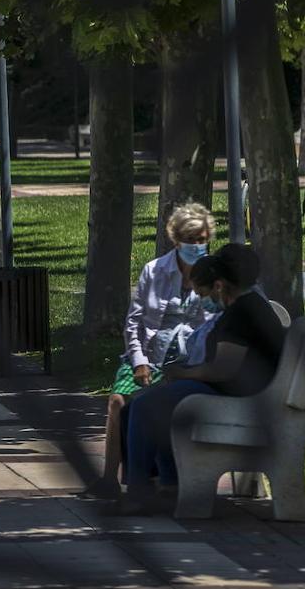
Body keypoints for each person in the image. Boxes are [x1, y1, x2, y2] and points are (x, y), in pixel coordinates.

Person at [116, 243, 286, 514]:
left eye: (203, 293)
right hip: (243, 393)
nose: (202, 299)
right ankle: (168, 484)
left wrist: (181, 373)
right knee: (143, 404)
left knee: (146, 407)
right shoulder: (246, 306)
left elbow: (222, 370)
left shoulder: (242, 312)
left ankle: (139, 493)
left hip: (242, 400)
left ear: (220, 285)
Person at [84, 203, 217, 498]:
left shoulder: (214, 275)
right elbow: (134, 323)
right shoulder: (154, 271)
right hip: (151, 355)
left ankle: (157, 477)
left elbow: (215, 321)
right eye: (190, 239)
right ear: (175, 239)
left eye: (201, 239)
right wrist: (139, 361)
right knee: (118, 399)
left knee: (156, 403)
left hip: (189, 360)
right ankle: (109, 479)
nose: (196, 245)